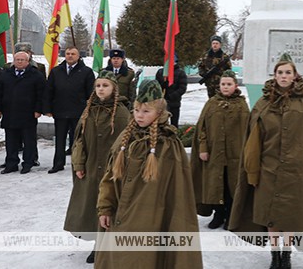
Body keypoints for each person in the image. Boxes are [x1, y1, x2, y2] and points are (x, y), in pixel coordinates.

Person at [229, 54, 303, 269]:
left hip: (295, 171)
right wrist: (252, 169)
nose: (284, 76)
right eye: (280, 72)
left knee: (289, 216)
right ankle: (274, 254)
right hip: (268, 168)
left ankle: (286, 255)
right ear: (274, 75)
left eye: (288, 72)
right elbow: (253, 139)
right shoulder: (263, 103)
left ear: (295, 75)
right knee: (271, 216)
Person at [96, 80, 202, 268]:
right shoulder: (126, 138)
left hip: (152, 219)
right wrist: (105, 207)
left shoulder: (169, 145)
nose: (139, 116)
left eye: (146, 111)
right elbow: (110, 177)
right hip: (120, 212)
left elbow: (176, 194)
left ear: (159, 113)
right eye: (137, 110)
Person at [63, 71, 130, 264]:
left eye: (105, 85)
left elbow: (126, 143)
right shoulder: (89, 111)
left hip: (112, 171)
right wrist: (78, 163)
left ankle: (105, 246)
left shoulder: (122, 113)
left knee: (110, 206)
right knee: (93, 207)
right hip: (91, 169)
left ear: (114, 88)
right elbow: (79, 140)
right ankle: (97, 244)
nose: (101, 89)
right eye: (98, 85)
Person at [190, 70, 249, 230]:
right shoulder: (212, 103)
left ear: (235, 86)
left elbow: (247, 130)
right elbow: (202, 128)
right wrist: (203, 148)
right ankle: (218, 213)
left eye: (229, 84)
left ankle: (231, 214)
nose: (225, 87)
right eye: (223, 84)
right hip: (214, 153)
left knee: (232, 184)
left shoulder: (241, 105)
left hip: (235, 154)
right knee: (216, 184)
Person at [44, 46, 95, 173]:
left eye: (73, 54)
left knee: (78, 140)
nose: (70, 56)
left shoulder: (86, 71)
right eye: (67, 54)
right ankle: (58, 164)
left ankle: (77, 164)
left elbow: (91, 93)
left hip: (79, 112)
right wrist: (47, 108)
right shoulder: (56, 71)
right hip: (60, 111)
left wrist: (89, 109)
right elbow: (49, 91)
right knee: (60, 139)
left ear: (78, 56)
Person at [0, 52, 46, 174]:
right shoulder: (5, 75)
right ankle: (11, 163)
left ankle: (27, 163)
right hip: (9, 112)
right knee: (11, 141)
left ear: (28, 61)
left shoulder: (36, 75)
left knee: (28, 141)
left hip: (28, 113)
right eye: (17, 59)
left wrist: (38, 110)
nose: (19, 62)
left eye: (22, 60)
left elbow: (41, 95)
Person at [154, 56, 188, 128]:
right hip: (162, 102)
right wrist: (163, 85)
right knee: (161, 124)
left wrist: (171, 96)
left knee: (174, 124)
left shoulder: (181, 73)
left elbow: (182, 88)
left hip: (174, 102)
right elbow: (156, 86)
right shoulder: (161, 72)